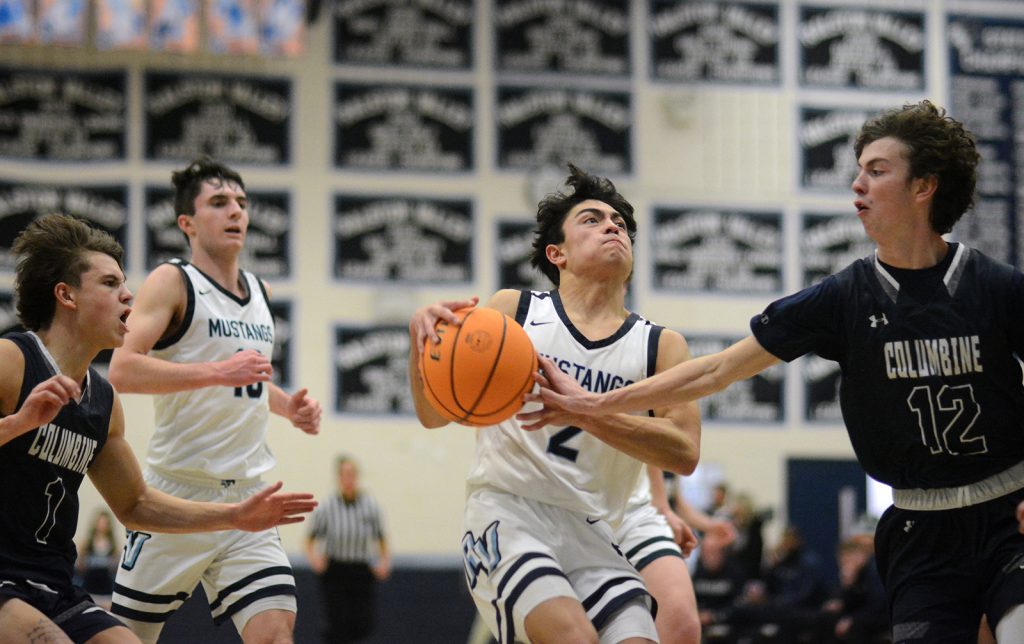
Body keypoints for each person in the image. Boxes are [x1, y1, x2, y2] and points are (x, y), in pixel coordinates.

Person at [525, 100, 1024, 642]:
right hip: (920, 527)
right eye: (857, 170)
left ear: (924, 186)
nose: (857, 184)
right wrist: (592, 404)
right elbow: (714, 371)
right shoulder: (843, 298)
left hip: (1009, 515)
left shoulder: (993, 287)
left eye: (876, 171)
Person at [408, 165, 702, 643]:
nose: (613, 226)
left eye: (620, 223)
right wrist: (418, 349)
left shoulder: (661, 346)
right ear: (556, 253)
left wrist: (590, 409)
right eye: (591, 219)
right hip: (510, 512)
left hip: (596, 530)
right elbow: (433, 414)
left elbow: (685, 453)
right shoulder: (513, 313)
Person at [0, 214, 316, 643]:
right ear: (66, 295)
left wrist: (236, 517)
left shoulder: (103, 401)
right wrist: (19, 423)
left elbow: (136, 505)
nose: (128, 295)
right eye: (110, 284)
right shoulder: (12, 361)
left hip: (52, 584)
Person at [108, 157, 323, 644]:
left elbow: (243, 380)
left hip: (247, 495)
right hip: (175, 495)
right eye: (219, 203)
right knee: (127, 638)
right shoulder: (173, 280)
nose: (236, 213)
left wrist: (289, 406)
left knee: (275, 631)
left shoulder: (262, 292)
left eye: (242, 204)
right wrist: (214, 373)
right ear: (187, 222)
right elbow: (122, 368)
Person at [305, 455, 391, 644]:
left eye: (352, 474)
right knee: (337, 623)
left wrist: (384, 562)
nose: (349, 479)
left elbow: (381, 538)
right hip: (336, 570)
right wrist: (315, 560)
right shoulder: (327, 507)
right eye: (345, 474)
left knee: (363, 624)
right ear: (338, 478)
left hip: (361, 570)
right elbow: (309, 540)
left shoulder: (370, 506)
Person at [76, 510, 119, 609]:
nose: (103, 525)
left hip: (106, 589)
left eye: (105, 523)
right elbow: (79, 567)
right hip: (89, 587)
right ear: (96, 523)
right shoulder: (86, 544)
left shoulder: (114, 546)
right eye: (101, 522)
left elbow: (115, 570)